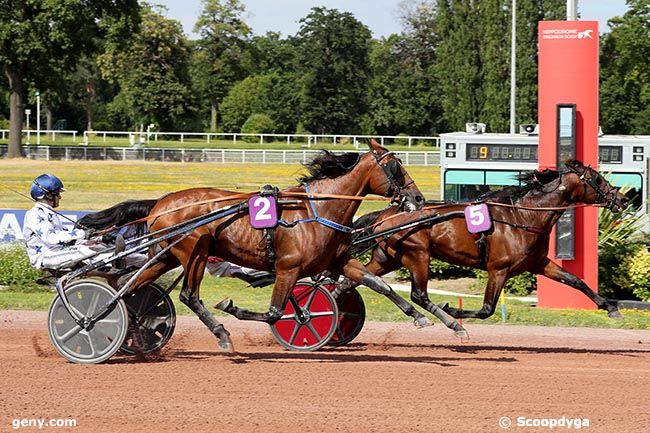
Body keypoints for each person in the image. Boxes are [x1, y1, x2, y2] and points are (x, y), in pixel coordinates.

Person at [23, 174, 122, 270]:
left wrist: (98, 238)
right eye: (57, 193)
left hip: (57, 251)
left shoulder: (49, 213)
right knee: (83, 251)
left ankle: (121, 259)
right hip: (45, 256)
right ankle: (114, 262)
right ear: (48, 195)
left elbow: (66, 238)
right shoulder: (34, 214)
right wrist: (82, 233)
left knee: (96, 246)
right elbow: (52, 238)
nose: (60, 197)